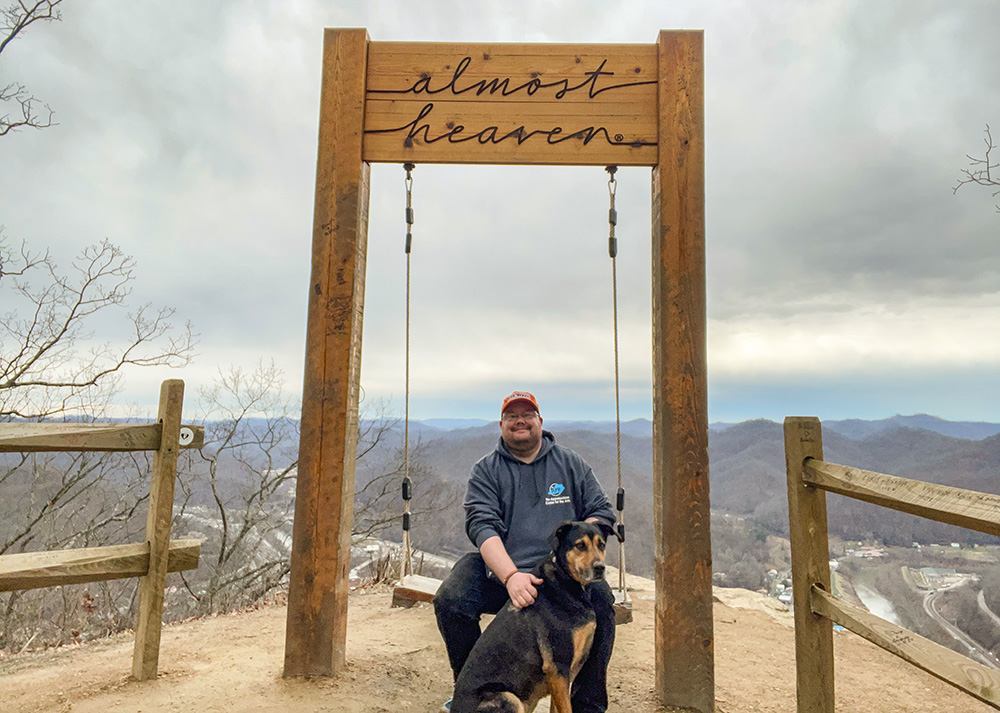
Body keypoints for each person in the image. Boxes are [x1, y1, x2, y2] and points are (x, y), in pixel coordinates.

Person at [434, 390, 617, 713]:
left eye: (527, 415)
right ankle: (471, 690)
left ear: (540, 422)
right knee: (452, 598)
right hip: (503, 570)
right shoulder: (486, 470)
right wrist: (511, 576)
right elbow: (482, 526)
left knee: (601, 602)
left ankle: (587, 706)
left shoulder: (570, 463)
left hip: (559, 575)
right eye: (512, 416)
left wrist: (583, 540)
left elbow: (600, 510)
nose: (520, 421)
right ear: (501, 424)